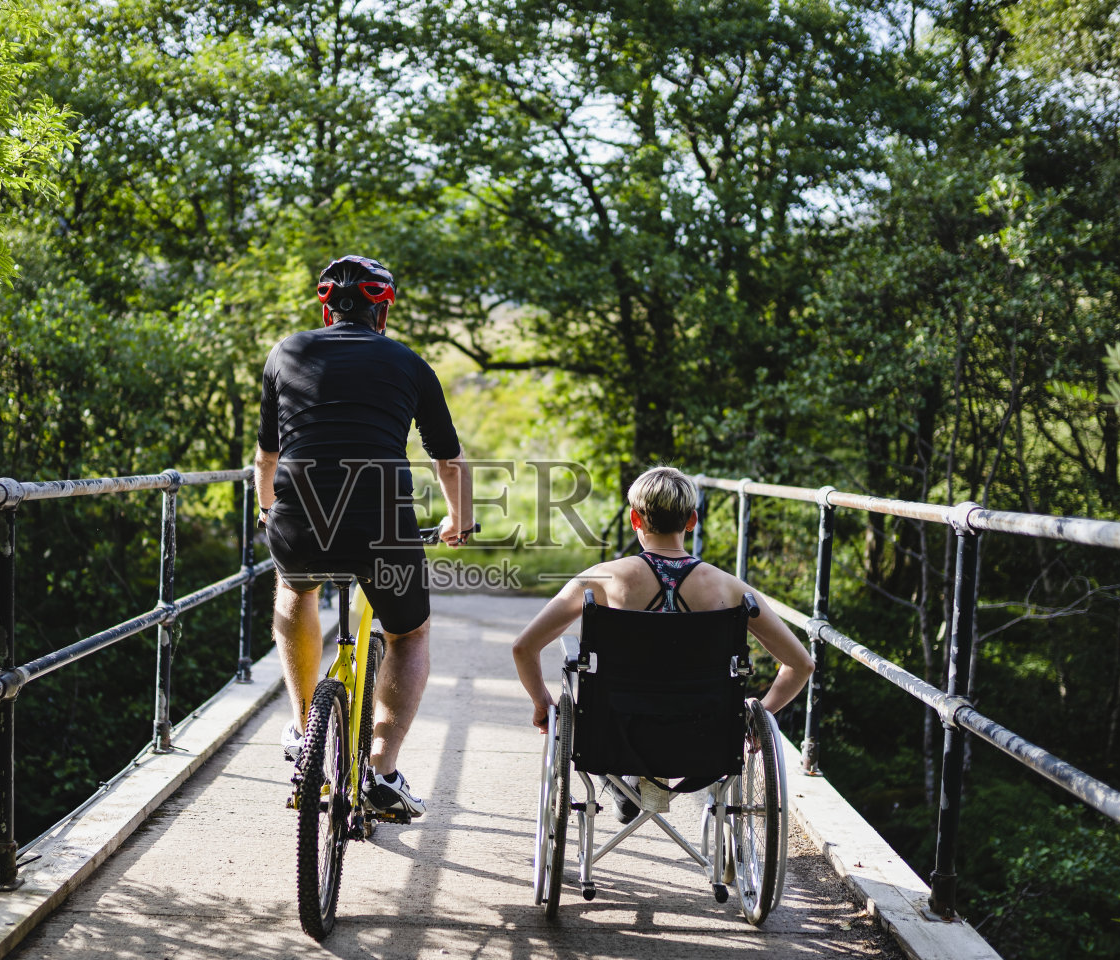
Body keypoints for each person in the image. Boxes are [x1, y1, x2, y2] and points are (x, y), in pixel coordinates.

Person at [254, 255, 472, 820]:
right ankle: (381, 768)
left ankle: (306, 732)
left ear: (326, 307)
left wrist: (267, 511)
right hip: (381, 517)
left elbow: (267, 456)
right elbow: (448, 460)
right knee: (410, 633)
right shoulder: (409, 364)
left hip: (302, 511)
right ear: (383, 310)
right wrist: (458, 521)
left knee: (295, 589)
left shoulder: (287, 353)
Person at [510, 465, 814, 821]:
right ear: (692, 520)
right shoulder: (731, 589)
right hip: (705, 740)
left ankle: (632, 779)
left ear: (635, 519)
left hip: (614, 735)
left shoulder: (601, 580)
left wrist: (543, 703)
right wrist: (760, 716)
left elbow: (523, 648)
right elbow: (802, 664)